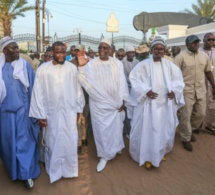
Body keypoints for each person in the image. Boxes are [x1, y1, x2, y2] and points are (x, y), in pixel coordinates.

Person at [29, 41, 85, 183]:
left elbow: (78, 90)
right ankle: (53, 170)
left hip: (69, 111)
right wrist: (40, 114)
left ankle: (69, 170)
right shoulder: (43, 69)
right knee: (52, 140)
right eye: (57, 52)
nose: (60, 55)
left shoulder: (72, 68)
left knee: (69, 139)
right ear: (52, 53)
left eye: (63, 52)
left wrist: (78, 109)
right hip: (50, 113)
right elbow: (37, 93)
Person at [129, 37, 185, 169]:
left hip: (164, 105)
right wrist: (145, 91)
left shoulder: (170, 65)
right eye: (156, 49)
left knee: (162, 129)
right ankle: (147, 156)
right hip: (148, 105)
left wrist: (175, 92)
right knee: (148, 130)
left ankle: (159, 152)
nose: (159, 51)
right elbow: (134, 79)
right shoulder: (143, 65)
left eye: (161, 49)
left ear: (165, 50)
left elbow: (178, 81)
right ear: (152, 50)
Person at [77, 38, 129, 172]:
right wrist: (81, 66)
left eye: (105, 48)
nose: (102, 50)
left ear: (111, 50)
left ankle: (115, 148)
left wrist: (123, 99)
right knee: (101, 130)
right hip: (99, 104)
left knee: (116, 128)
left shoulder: (117, 63)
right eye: (100, 47)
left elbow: (122, 82)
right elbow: (85, 81)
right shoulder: (91, 64)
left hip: (115, 103)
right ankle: (105, 155)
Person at [0, 36, 40, 188]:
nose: (18, 50)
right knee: (8, 146)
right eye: (14, 48)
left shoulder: (24, 66)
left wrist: (35, 112)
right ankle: (13, 171)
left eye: (17, 47)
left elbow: (34, 90)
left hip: (23, 113)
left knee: (25, 144)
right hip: (4, 116)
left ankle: (26, 174)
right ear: (5, 51)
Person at [175, 34, 215, 152]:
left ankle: (190, 130)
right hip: (186, 91)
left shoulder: (203, 56)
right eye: (193, 42)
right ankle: (185, 138)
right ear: (187, 44)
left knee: (201, 114)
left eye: (197, 42)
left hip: (201, 90)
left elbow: (208, 71)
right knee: (186, 115)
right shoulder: (180, 57)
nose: (195, 44)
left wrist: (213, 85)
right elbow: (174, 75)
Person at [70, 44, 89, 153]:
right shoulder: (71, 63)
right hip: (75, 95)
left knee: (84, 120)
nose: (78, 53)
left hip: (86, 95)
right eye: (76, 51)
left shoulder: (89, 63)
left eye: (80, 50)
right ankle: (78, 144)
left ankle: (84, 137)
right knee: (77, 120)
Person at [199, 33, 215, 133]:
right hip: (201, 81)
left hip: (213, 82)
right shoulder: (199, 52)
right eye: (208, 40)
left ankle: (210, 125)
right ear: (203, 40)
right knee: (200, 103)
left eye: (213, 40)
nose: (211, 42)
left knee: (212, 104)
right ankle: (198, 124)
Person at [122, 46, 139, 139]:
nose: (131, 54)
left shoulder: (137, 63)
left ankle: (135, 130)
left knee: (135, 111)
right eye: (129, 53)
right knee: (127, 111)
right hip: (126, 90)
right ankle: (128, 131)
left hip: (136, 91)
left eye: (133, 52)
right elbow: (122, 78)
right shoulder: (122, 63)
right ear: (126, 54)